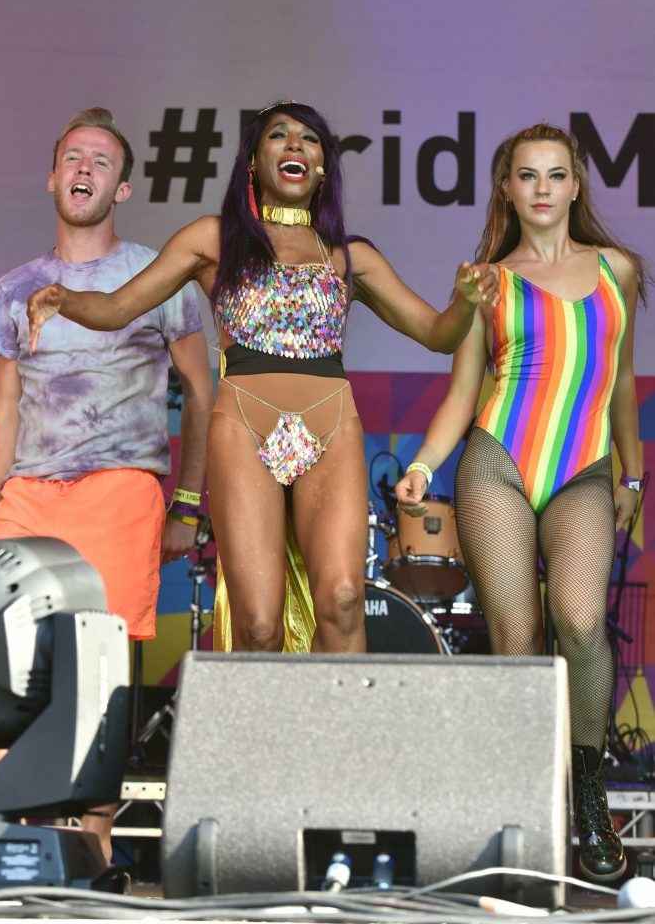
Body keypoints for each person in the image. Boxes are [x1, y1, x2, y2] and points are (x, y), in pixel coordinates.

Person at [26, 100, 498, 657]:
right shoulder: (212, 239)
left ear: (322, 168)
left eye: (309, 139)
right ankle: (261, 717)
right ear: (254, 160)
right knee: (258, 625)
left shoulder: (351, 258)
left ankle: (343, 717)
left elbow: (438, 334)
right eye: (279, 135)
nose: (295, 144)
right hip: (243, 429)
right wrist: (63, 298)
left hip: (330, 429)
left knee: (344, 599)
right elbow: (117, 308)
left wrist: (466, 303)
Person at [396, 123, 647, 882]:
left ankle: (588, 797)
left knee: (580, 623)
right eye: (527, 175)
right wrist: (423, 464)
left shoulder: (618, 270)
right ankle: (523, 809)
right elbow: (461, 391)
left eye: (556, 174)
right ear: (506, 189)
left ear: (576, 186)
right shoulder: (487, 280)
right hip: (495, 464)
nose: (542, 188)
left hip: (585, 471)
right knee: (517, 635)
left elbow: (621, 380)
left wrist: (633, 476)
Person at [0, 107, 213, 864]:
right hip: (29, 494)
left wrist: (186, 504)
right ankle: (17, 841)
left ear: (122, 188)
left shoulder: (157, 276)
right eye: (73, 158)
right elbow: (7, 407)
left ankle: (94, 846)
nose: (84, 168)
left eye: (101, 161)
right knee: (5, 665)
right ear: (52, 178)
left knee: (97, 670)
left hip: (119, 486)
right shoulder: (14, 287)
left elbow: (202, 392)